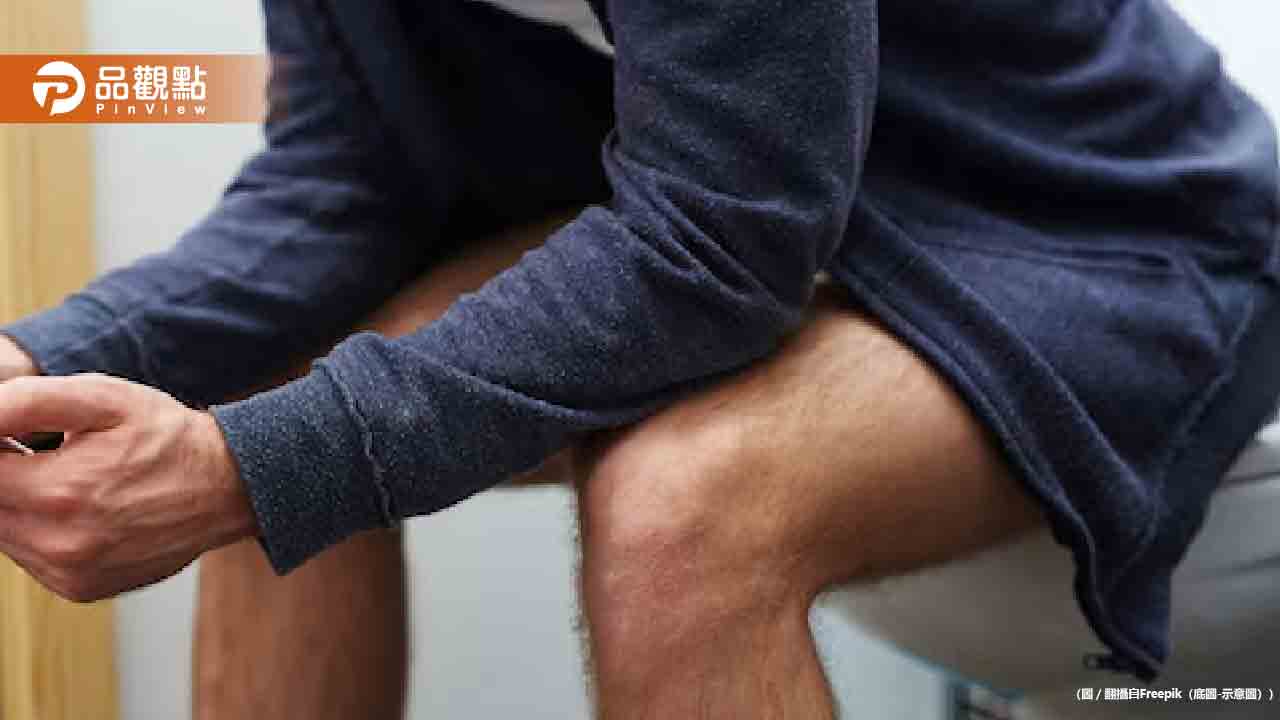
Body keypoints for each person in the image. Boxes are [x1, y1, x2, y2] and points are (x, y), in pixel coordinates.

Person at [0, 0, 1277, 717]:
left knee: (685, 509)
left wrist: (249, 470)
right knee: (277, 392)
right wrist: (36, 357)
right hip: (800, 203)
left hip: (1093, 224)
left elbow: (722, 238)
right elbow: (346, 174)